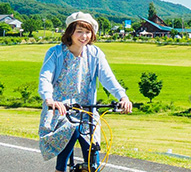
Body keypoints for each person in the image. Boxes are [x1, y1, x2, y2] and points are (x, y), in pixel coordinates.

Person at [38, 12, 132, 172]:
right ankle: (60, 169)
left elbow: (108, 78)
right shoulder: (55, 53)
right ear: (70, 32)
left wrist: (123, 96)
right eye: (79, 31)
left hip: (87, 110)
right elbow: (45, 77)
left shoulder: (95, 54)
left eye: (87, 32)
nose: (84, 36)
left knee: (93, 155)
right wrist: (49, 99)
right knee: (66, 146)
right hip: (61, 110)